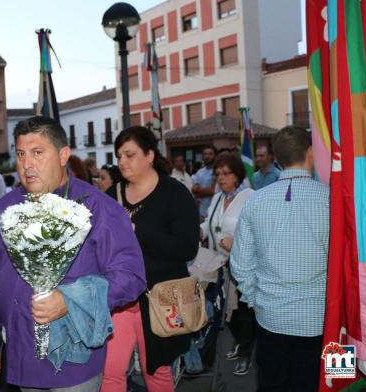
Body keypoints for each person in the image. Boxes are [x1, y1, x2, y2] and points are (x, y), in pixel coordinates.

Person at [0, 116, 146, 391]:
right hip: (20, 352)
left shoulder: (98, 208)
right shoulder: (5, 209)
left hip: (74, 359)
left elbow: (131, 277)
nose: (27, 164)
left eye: (37, 153)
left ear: (63, 155)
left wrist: (70, 299)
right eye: (21, 154)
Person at [231, 126, 329, 392]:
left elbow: (240, 265)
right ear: (311, 153)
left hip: (271, 318)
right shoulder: (333, 200)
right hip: (325, 323)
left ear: (276, 158)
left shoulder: (255, 201)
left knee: (273, 385)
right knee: (328, 383)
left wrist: (257, 301)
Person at [102, 126, 200, 392]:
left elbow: (187, 248)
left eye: (129, 155)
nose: (122, 161)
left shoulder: (175, 194)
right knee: (110, 371)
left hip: (160, 297)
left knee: (155, 370)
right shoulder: (112, 195)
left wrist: (137, 232)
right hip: (120, 298)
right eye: (119, 156)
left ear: (149, 155)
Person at [199, 154, 254, 376]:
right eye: (218, 174)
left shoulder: (250, 196)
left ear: (237, 175)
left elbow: (255, 229)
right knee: (225, 310)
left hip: (241, 264)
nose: (221, 178)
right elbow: (210, 221)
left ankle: (246, 353)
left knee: (243, 311)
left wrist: (237, 241)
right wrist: (200, 230)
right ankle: (240, 342)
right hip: (217, 264)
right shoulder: (218, 197)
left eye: (226, 173)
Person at [192, 146, 216, 221]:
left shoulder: (218, 171)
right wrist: (207, 191)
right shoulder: (200, 172)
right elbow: (194, 191)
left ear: (215, 155)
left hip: (215, 212)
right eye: (205, 154)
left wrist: (200, 191)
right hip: (202, 212)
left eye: (210, 154)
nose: (207, 156)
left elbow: (213, 191)